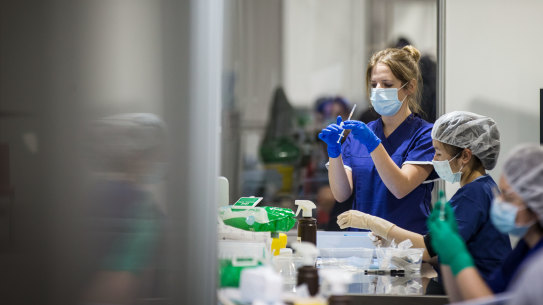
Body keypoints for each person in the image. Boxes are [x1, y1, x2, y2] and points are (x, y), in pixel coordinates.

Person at [336, 111, 512, 283]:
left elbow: (430, 249)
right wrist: (395, 246)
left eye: (439, 153)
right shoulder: (481, 188)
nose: (434, 159)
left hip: (486, 289)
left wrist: (372, 223)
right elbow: (445, 251)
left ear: (465, 156)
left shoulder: (474, 194)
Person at [319, 45, 436, 234]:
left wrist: (373, 144)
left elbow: (400, 187)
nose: (378, 90)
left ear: (410, 87)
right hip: (362, 245)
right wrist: (334, 152)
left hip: (406, 247)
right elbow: (341, 194)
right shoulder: (359, 136)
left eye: (387, 84)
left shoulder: (424, 135)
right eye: (374, 85)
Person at [427, 144, 543, 302]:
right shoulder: (523, 251)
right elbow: (469, 300)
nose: (499, 203)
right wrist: (449, 260)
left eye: (509, 198)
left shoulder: (538, 267)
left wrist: (457, 257)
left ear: (537, 204)